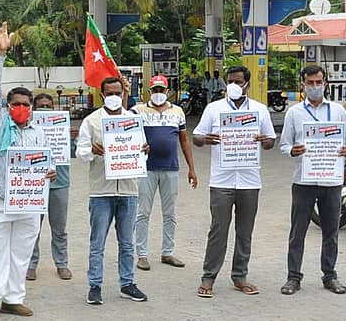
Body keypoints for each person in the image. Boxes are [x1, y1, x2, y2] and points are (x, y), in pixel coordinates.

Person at [0, 23, 56, 321]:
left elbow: (46, 163)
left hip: (30, 205)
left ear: (32, 107)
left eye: (26, 104)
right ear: (7, 106)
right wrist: (1, 54)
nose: (21, 108)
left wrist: (48, 173)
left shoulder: (38, 132)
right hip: (2, 200)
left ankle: (13, 298)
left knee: (21, 252)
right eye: (16, 104)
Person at [192, 66, 276, 298]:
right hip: (221, 180)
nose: (233, 86)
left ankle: (240, 275)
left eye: (238, 81)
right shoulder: (214, 109)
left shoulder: (259, 110)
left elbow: (270, 141)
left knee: (245, 231)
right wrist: (205, 140)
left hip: (249, 180)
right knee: (218, 229)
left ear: (247, 84)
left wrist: (263, 140)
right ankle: (208, 277)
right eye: (230, 81)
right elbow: (197, 136)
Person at [279, 65, 346, 296]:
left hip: (331, 181)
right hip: (304, 180)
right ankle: (293, 277)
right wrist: (294, 150)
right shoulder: (294, 113)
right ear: (302, 84)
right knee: (298, 231)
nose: (314, 87)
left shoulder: (338, 111)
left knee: (331, 230)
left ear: (325, 83)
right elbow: (284, 145)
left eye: (318, 82)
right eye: (310, 83)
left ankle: (330, 275)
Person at [76, 76, 149, 306]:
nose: (115, 97)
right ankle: (94, 286)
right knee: (97, 242)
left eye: (118, 93)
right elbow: (80, 152)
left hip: (128, 190)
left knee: (127, 242)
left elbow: (141, 148)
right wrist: (92, 151)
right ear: (102, 95)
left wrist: (145, 149)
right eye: (110, 93)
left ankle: (127, 283)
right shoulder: (92, 121)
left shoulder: (132, 120)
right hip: (101, 191)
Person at [132, 75, 197, 271]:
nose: (158, 93)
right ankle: (142, 254)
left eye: (162, 90)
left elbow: (184, 140)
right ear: (149, 91)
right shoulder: (138, 110)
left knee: (170, 213)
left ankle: (167, 252)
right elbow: (125, 132)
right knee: (143, 212)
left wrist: (191, 168)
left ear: (167, 91)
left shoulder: (177, 111)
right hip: (146, 169)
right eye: (155, 90)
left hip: (171, 168)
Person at [26, 93, 76, 281]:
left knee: (59, 228)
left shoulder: (61, 128)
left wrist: (71, 138)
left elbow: (73, 153)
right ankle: (31, 264)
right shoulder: (28, 130)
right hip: (35, 184)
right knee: (32, 228)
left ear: (53, 107)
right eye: (40, 106)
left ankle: (62, 264)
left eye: (48, 106)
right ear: (34, 108)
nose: (44, 109)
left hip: (60, 183)